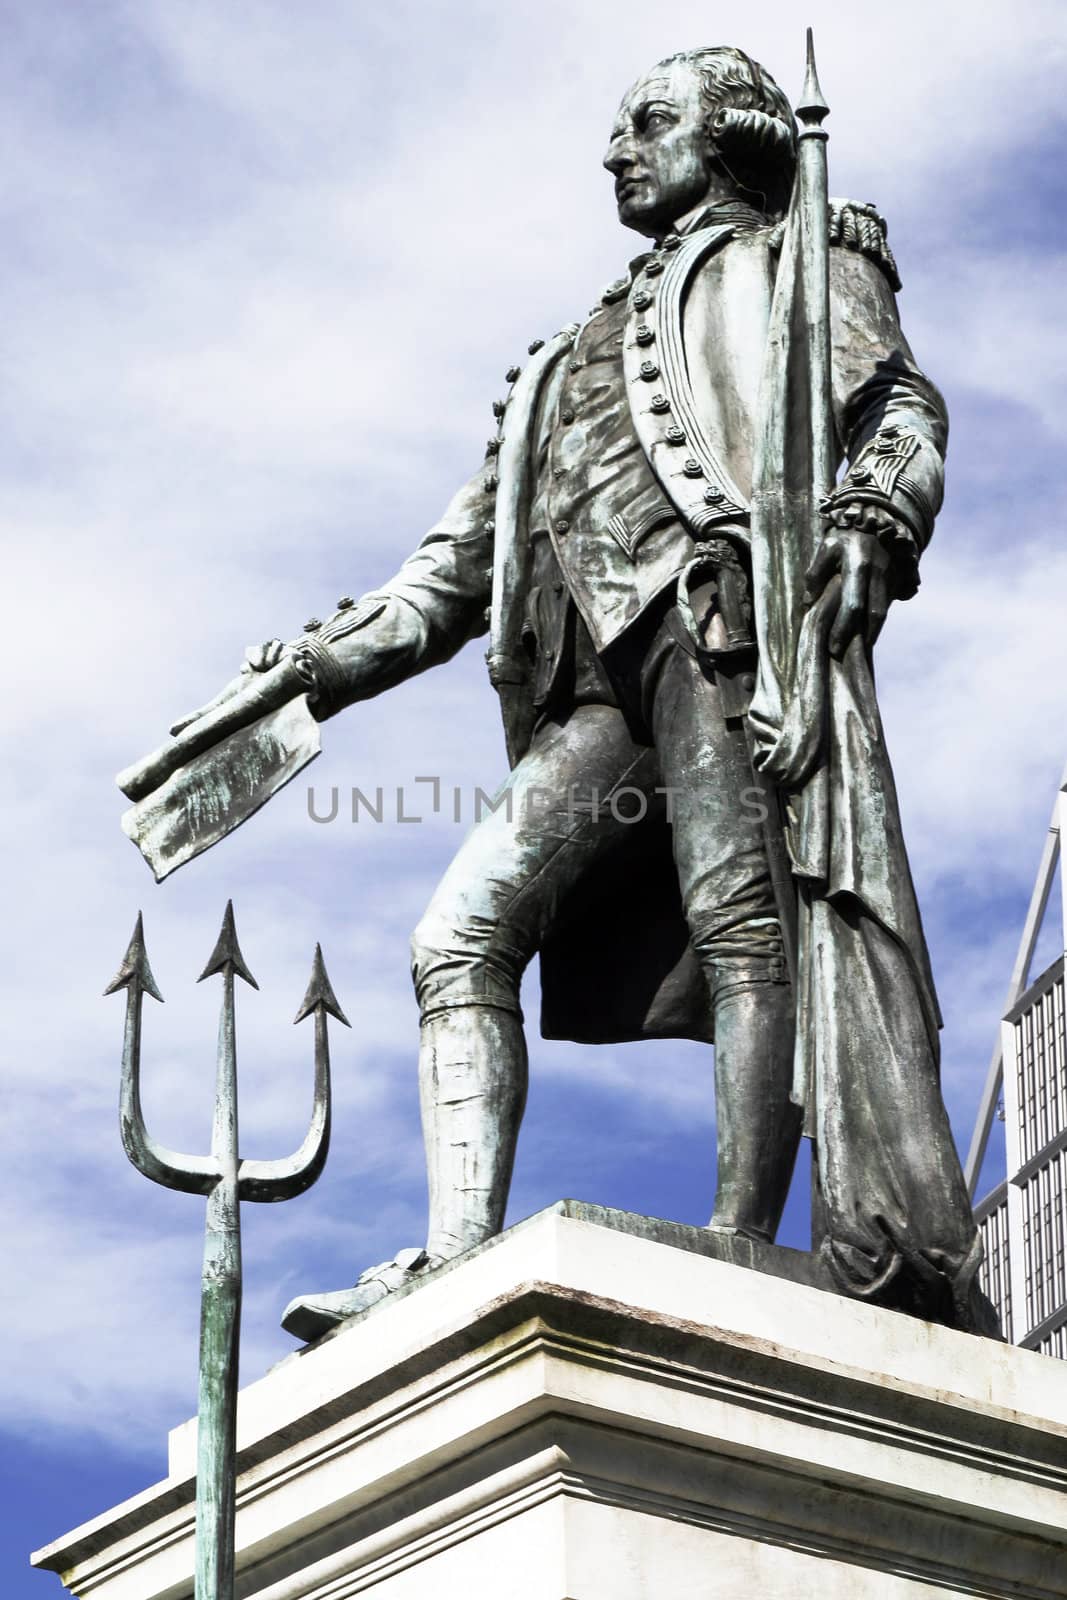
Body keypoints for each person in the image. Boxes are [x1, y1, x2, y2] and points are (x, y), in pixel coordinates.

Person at [182, 46, 987, 1340]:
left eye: (648, 124)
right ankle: (454, 1255)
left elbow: (896, 408)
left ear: (730, 140)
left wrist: (879, 514)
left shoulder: (801, 260)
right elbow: (445, 581)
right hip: (596, 688)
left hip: (726, 625)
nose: (616, 150)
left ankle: (743, 1242)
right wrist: (317, 668)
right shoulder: (560, 364)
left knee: (744, 923)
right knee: (459, 935)